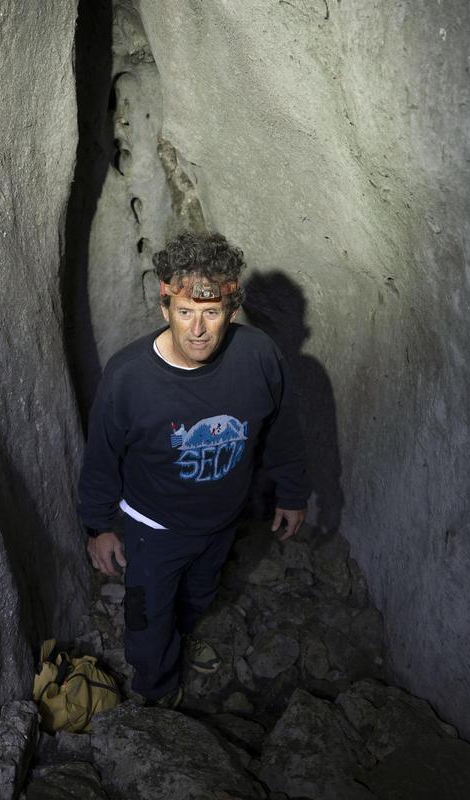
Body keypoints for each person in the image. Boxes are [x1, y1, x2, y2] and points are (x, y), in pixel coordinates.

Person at [77, 231, 311, 708]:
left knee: (199, 595)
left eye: (211, 312)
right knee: (147, 618)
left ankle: (182, 638)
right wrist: (98, 525)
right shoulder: (128, 379)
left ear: (232, 309)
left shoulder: (259, 356)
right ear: (165, 308)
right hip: (153, 528)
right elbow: (100, 456)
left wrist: (291, 493)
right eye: (185, 312)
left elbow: (283, 428)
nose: (198, 328)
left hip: (222, 520)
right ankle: (157, 690)